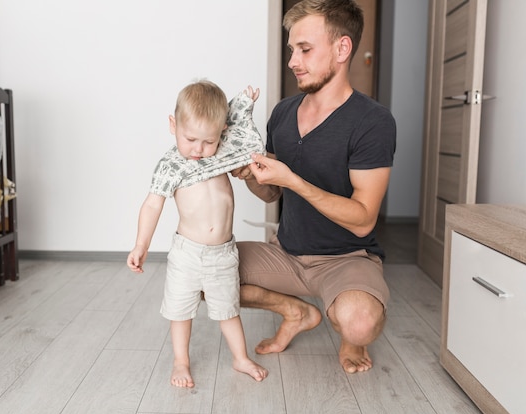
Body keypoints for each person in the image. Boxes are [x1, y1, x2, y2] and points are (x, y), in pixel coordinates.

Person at [232, 0, 396, 374]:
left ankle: (350, 339)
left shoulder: (373, 122)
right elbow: (273, 194)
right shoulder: (283, 113)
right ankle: (297, 312)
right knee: (202, 275)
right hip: (286, 253)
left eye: (305, 49)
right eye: (292, 50)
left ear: (342, 49)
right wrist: (249, 176)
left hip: (347, 257)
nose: (293, 60)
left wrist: (293, 180)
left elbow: (362, 221)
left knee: (359, 321)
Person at [127, 80, 268, 388]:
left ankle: (240, 357)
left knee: (228, 309)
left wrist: (245, 100)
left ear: (220, 134)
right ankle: (181, 361)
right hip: (187, 253)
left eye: (208, 141)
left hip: (223, 254)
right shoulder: (172, 165)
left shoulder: (221, 154)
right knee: (181, 311)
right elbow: (152, 205)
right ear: (172, 124)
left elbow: (236, 121)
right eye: (190, 138)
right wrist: (141, 245)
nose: (199, 150)